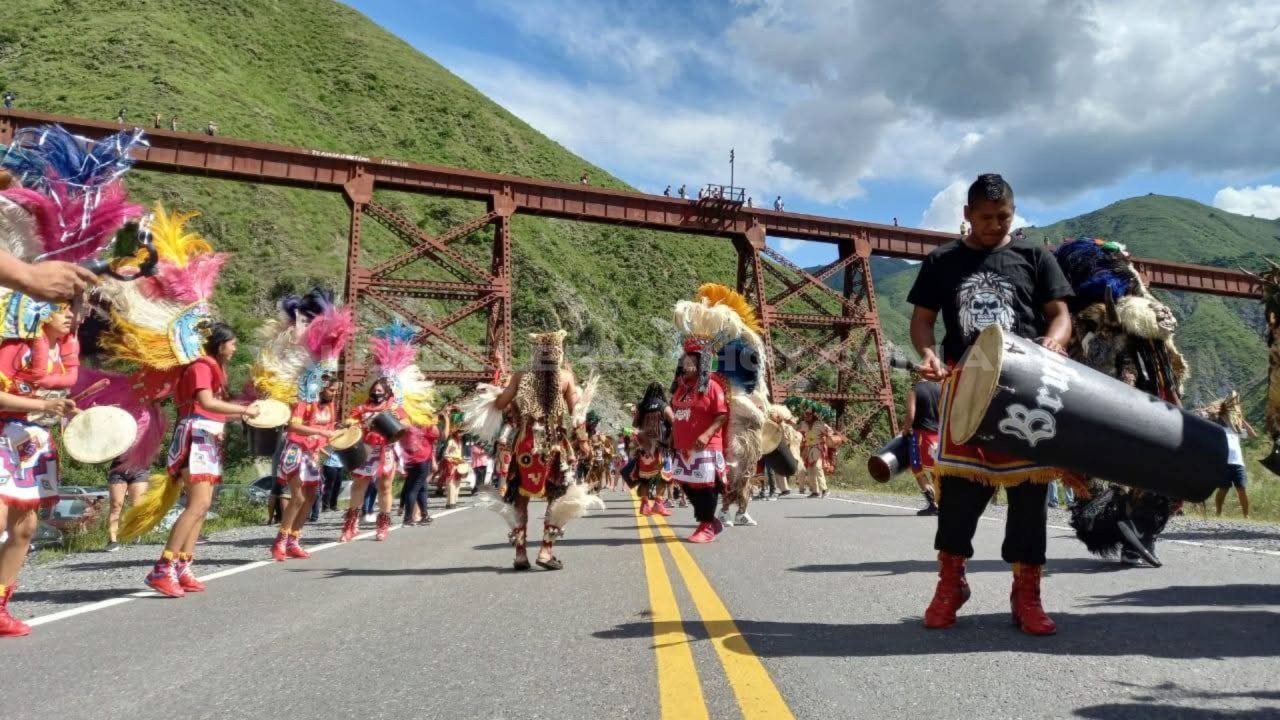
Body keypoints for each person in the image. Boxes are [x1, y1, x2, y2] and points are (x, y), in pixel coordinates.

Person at [907, 173, 1072, 636]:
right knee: (958, 497)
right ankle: (950, 584)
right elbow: (923, 321)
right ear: (966, 215)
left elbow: (1060, 315)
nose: (995, 225)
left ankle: (1027, 596)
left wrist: (1055, 344)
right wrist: (928, 353)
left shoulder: (1034, 256)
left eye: (1003, 217)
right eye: (985, 218)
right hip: (965, 391)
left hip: (1026, 392)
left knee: (1029, 500)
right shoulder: (942, 260)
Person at [463, 329, 589, 571]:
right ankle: (545, 551)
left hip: (525, 443)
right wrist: (583, 440)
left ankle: (521, 554)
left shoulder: (521, 376)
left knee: (519, 497)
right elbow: (577, 414)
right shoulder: (565, 377)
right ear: (558, 353)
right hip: (553, 445)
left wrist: (501, 391)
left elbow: (500, 404)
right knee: (556, 495)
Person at [0, 307, 82, 637]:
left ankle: (1, 606)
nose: (69, 317)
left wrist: (64, 410)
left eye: (71, 311)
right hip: (4, 434)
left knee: (25, 528)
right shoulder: (15, 347)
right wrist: (42, 406)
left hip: (32, 442)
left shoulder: (59, 354)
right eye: (60, 310)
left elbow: (49, 402)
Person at [670, 347, 728, 542]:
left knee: (704, 486)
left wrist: (706, 434)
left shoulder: (712, 386)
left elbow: (721, 415)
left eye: (690, 362)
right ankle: (710, 521)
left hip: (706, 445)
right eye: (684, 362)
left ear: (701, 364)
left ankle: (706, 525)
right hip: (683, 446)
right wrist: (672, 439)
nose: (686, 366)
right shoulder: (680, 387)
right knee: (686, 484)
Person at [340, 378, 406, 542]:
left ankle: (382, 525)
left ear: (387, 393)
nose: (376, 393)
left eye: (379, 391)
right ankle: (351, 526)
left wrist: (398, 419)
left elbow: (407, 424)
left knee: (385, 487)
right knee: (358, 486)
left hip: (385, 450)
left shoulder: (393, 407)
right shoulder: (363, 407)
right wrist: (355, 423)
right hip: (366, 450)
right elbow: (350, 420)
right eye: (374, 390)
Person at [632, 383, 675, 516]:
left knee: (644, 477)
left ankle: (644, 505)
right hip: (661, 447)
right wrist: (670, 440)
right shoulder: (663, 406)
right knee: (663, 477)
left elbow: (634, 424)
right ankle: (658, 503)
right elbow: (674, 422)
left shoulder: (641, 406)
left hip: (645, 448)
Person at [904, 379, 941, 516]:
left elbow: (910, 414)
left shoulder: (915, 389)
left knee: (917, 468)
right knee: (936, 470)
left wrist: (906, 430)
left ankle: (932, 504)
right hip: (938, 436)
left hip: (921, 436)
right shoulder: (940, 388)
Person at [399, 420, 438, 526]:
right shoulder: (423, 424)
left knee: (421, 488)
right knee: (414, 489)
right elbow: (436, 434)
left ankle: (424, 515)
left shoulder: (406, 424)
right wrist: (433, 422)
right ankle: (407, 519)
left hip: (409, 459)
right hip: (422, 459)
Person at [106, 460, 149, 551]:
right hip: (118, 469)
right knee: (116, 505)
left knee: (137, 506)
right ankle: (112, 540)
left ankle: (134, 530)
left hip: (140, 468)